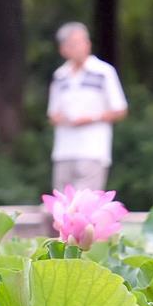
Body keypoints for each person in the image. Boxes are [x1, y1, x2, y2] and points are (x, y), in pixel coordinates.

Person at [47, 22, 128, 191]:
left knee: (85, 205)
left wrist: (91, 118)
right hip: (64, 150)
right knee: (61, 205)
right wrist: (63, 119)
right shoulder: (60, 76)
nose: (80, 47)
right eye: (73, 44)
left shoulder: (104, 71)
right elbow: (52, 114)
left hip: (93, 149)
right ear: (63, 49)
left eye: (83, 42)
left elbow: (120, 110)